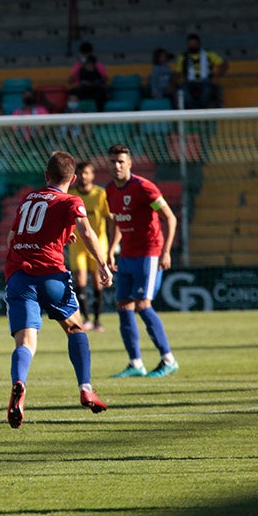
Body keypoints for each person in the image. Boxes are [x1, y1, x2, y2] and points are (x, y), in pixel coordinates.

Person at [3, 151, 113, 429]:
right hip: (51, 276)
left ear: (45, 176)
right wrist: (102, 264)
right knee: (75, 329)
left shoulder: (28, 198)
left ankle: (19, 383)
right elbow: (87, 232)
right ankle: (86, 387)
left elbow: (12, 237)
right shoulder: (71, 200)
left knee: (25, 341)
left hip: (18, 275)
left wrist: (59, 237)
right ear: (73, 179)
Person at [104, 143, 179, 378]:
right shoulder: (110, 190)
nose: (117, 165)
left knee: (143, 305)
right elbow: (119, 220)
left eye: (121, 161)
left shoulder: (144, 188)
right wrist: (111, 249)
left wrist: (166, 251)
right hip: (126, 254)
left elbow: (170, 217)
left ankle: (168, 359)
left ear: (129, 163)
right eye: (113, 161)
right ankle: (135, 363)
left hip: (149, 253)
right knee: (124, 306)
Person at [68, 161, 110, 331]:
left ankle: (98, 320)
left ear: (93, 175)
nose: (84, 176)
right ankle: (86, 318)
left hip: (98, 244)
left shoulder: (101, 194)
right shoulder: (70, 195)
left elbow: (111, 218)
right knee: (80, 279)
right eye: (81, 173)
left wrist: (114, 244)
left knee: (98, 282)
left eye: (87, 173)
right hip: (77, 244)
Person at [174, 33, 228, 109]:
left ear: (199, 44)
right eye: (191, 44)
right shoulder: (183, 56)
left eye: (194, 44)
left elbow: (223, 64)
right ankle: (195, 110)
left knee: (207, 91)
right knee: (183, 92)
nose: (193, 46)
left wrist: (216, 77)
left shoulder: (208, 54)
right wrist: (179, 80)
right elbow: (178, 72)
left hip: (205, 81)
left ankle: (200, 110)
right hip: (189, 82)